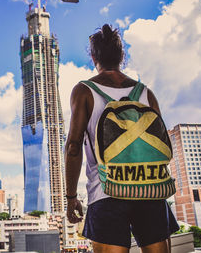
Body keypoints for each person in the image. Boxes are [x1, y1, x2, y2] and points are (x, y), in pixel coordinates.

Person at [64, 24, 179, 253]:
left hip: (106, 191)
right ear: (121, 56)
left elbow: (74, 147)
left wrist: (71, 198)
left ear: (94, 57)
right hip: (150, 189)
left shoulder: (85, 91)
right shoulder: (146, 92)